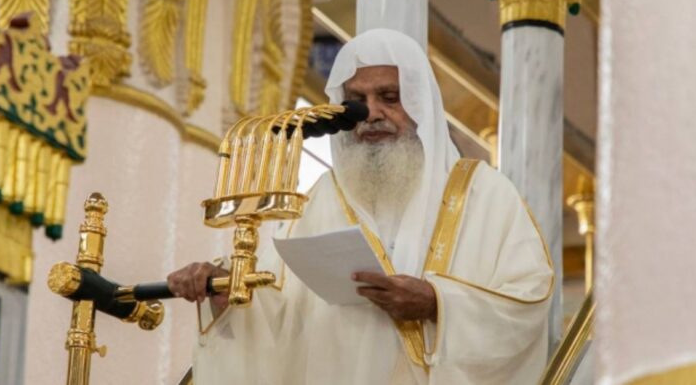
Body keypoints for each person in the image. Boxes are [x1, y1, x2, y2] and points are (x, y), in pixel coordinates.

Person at [168, 28, 553, 385]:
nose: (371, 113)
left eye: (389, 97)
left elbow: (529, 301)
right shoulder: (321, 198)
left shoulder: (485, 194)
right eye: (356, 102)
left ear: (420, 103)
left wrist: (436, 303)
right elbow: (279, 316)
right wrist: (223, 290)